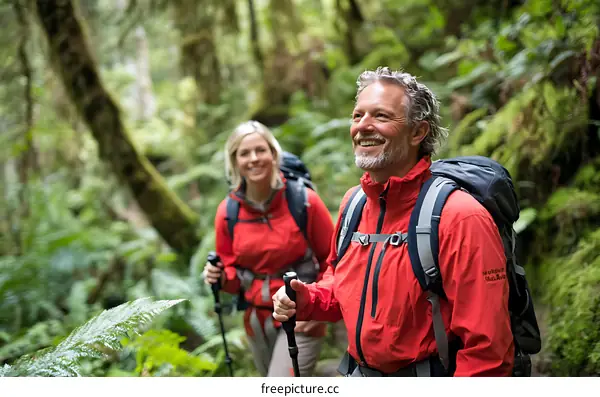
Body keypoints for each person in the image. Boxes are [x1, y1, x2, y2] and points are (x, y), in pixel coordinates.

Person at [272, 67, 515, 377]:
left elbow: (488, 351)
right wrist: (307, 298)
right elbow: (343, 284)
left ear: (418, 132)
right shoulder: (355, 204)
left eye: (381, 117)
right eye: (357, 116)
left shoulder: (460, 217)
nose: (363, 127)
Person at [203, 120, 335, 377]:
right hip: (257, 322)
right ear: (235, 161)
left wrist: (320, 309)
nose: (254, 159)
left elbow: (334, 261)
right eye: (244, 153)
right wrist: (217, 276)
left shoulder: (304, 202)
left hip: (301, 317)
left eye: (260, 150)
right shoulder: (228, 213)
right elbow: (232, 278)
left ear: (274, 154)